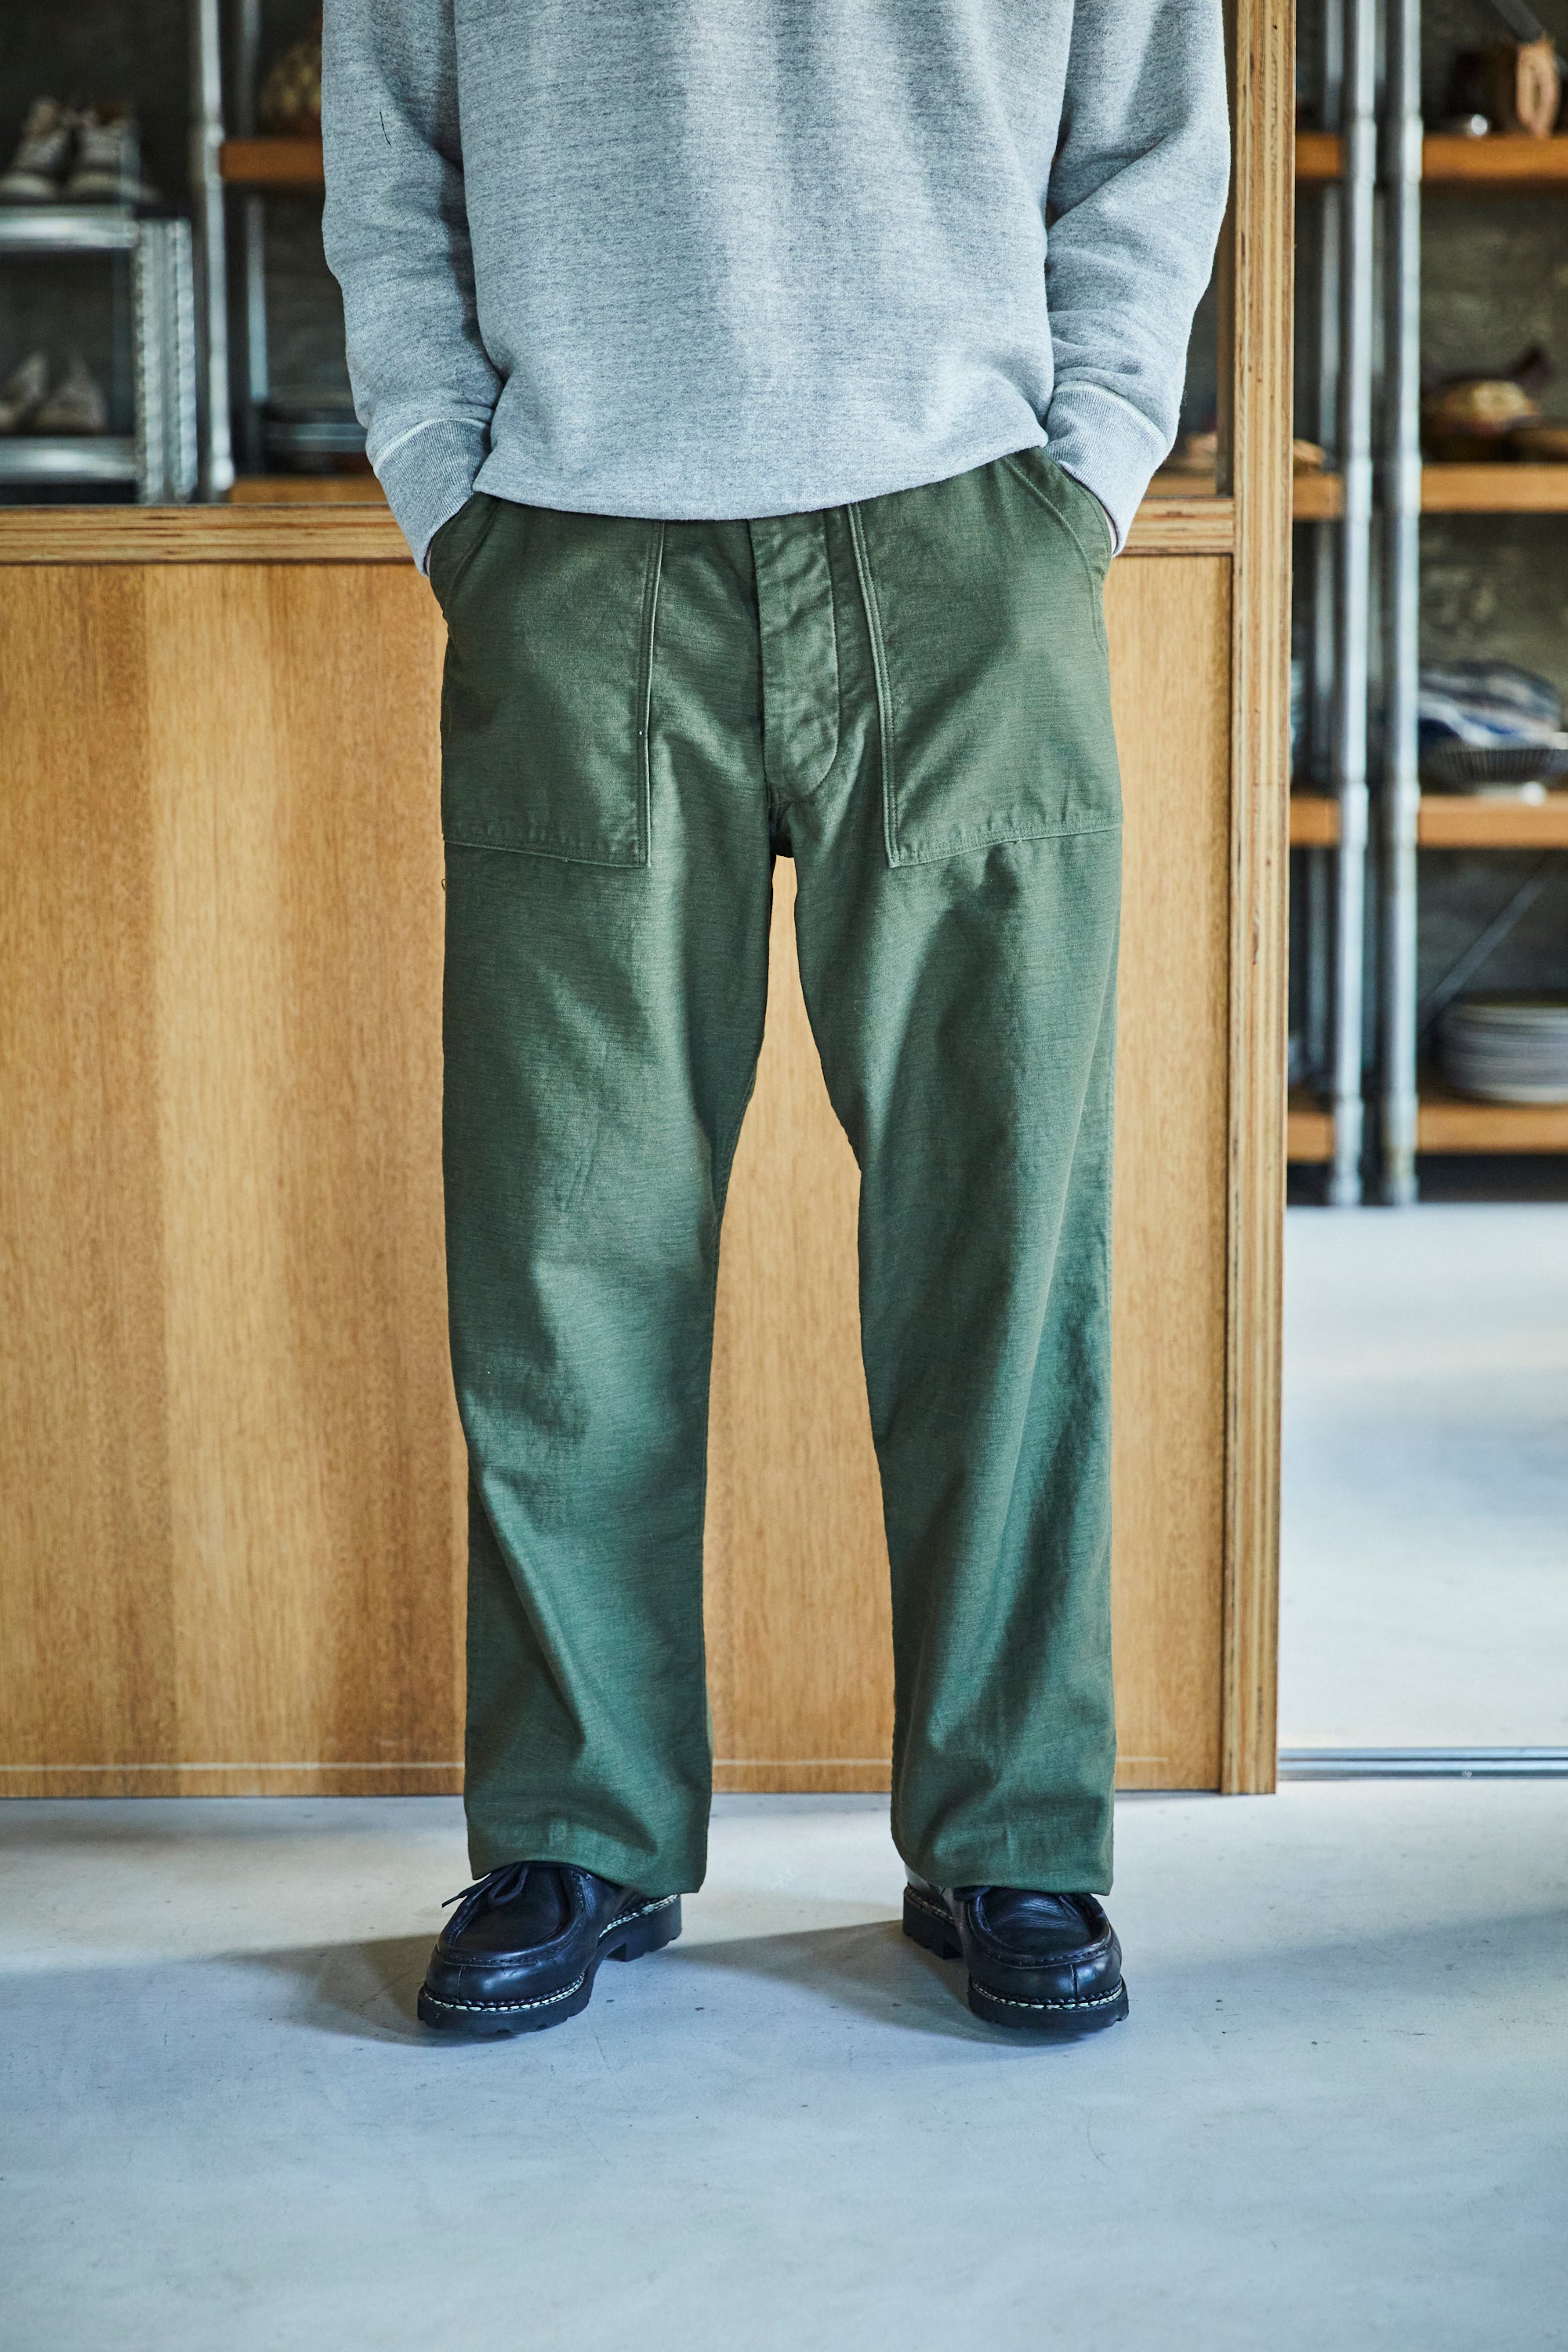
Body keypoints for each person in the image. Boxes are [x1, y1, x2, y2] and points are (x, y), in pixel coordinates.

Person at [321, 0, 1228, 2040]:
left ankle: (1013, 1830)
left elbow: (1148, 127)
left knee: (1003, 1229)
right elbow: (388, 141)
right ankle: (576, 1826)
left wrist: (1080, 473)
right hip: (576, 544)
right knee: (563, 1241)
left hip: (969, 539)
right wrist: (453, 494)